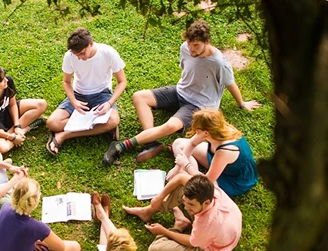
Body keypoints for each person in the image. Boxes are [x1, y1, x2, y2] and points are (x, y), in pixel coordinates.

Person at [103, 19, 261, 166]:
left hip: (199, 104)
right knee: (139, 97)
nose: (191, 49)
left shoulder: (219, 62)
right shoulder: (185, 48)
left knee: (170, 126)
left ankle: (121, 146)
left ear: (207, 42)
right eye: (189, 43)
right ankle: (151, 143)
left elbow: (230, 83)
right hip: (180, 91)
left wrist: (241, 103)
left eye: (196, 45)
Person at [124, 174, 242, 251]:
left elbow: (192, 242)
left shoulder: (206, 224)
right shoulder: (209, 190)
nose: (185, 207)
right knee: (182, 189)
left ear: (206, 203)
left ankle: (179, 225)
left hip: (209, 250)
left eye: (190, 205)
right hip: (221, 227)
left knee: (155, 250)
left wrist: (164, 231)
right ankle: (147, 211)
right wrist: (159, 197)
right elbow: (181, 177)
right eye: (185, 203)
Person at [45, 28, 127, 155]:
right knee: (52, 123)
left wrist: (109, 103)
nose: (80, 58)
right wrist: (74, 101)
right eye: (76, 55)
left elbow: (122, 82)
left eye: (82, 54)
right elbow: (66, 82)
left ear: (91, 43)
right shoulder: (70, 56)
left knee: (113, 120)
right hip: (79, 94)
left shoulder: (108, 53)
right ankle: (99, 127)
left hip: (102, 94)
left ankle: (65, 135)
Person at [167, 109, 257, 196]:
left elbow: (208, 180)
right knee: (178, 144)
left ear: (206, 133)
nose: (196, 133)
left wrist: (186, 164)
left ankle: (192, 177)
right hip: (219, 162)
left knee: (202, 186)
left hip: (233, 179)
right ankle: (193, 175)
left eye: (197, 130)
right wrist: (177, 167)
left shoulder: (225, 151)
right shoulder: (215, 129)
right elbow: (192, 143)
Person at [0, 65, 48, 155]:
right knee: (2, 148)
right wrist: (12, 137)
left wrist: (17, 126)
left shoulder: (8, 82)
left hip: (7, 111)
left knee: (41, 104)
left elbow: (12, 105)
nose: (6, 80)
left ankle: (19, 131)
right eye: (2, 80)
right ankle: (25, 129)